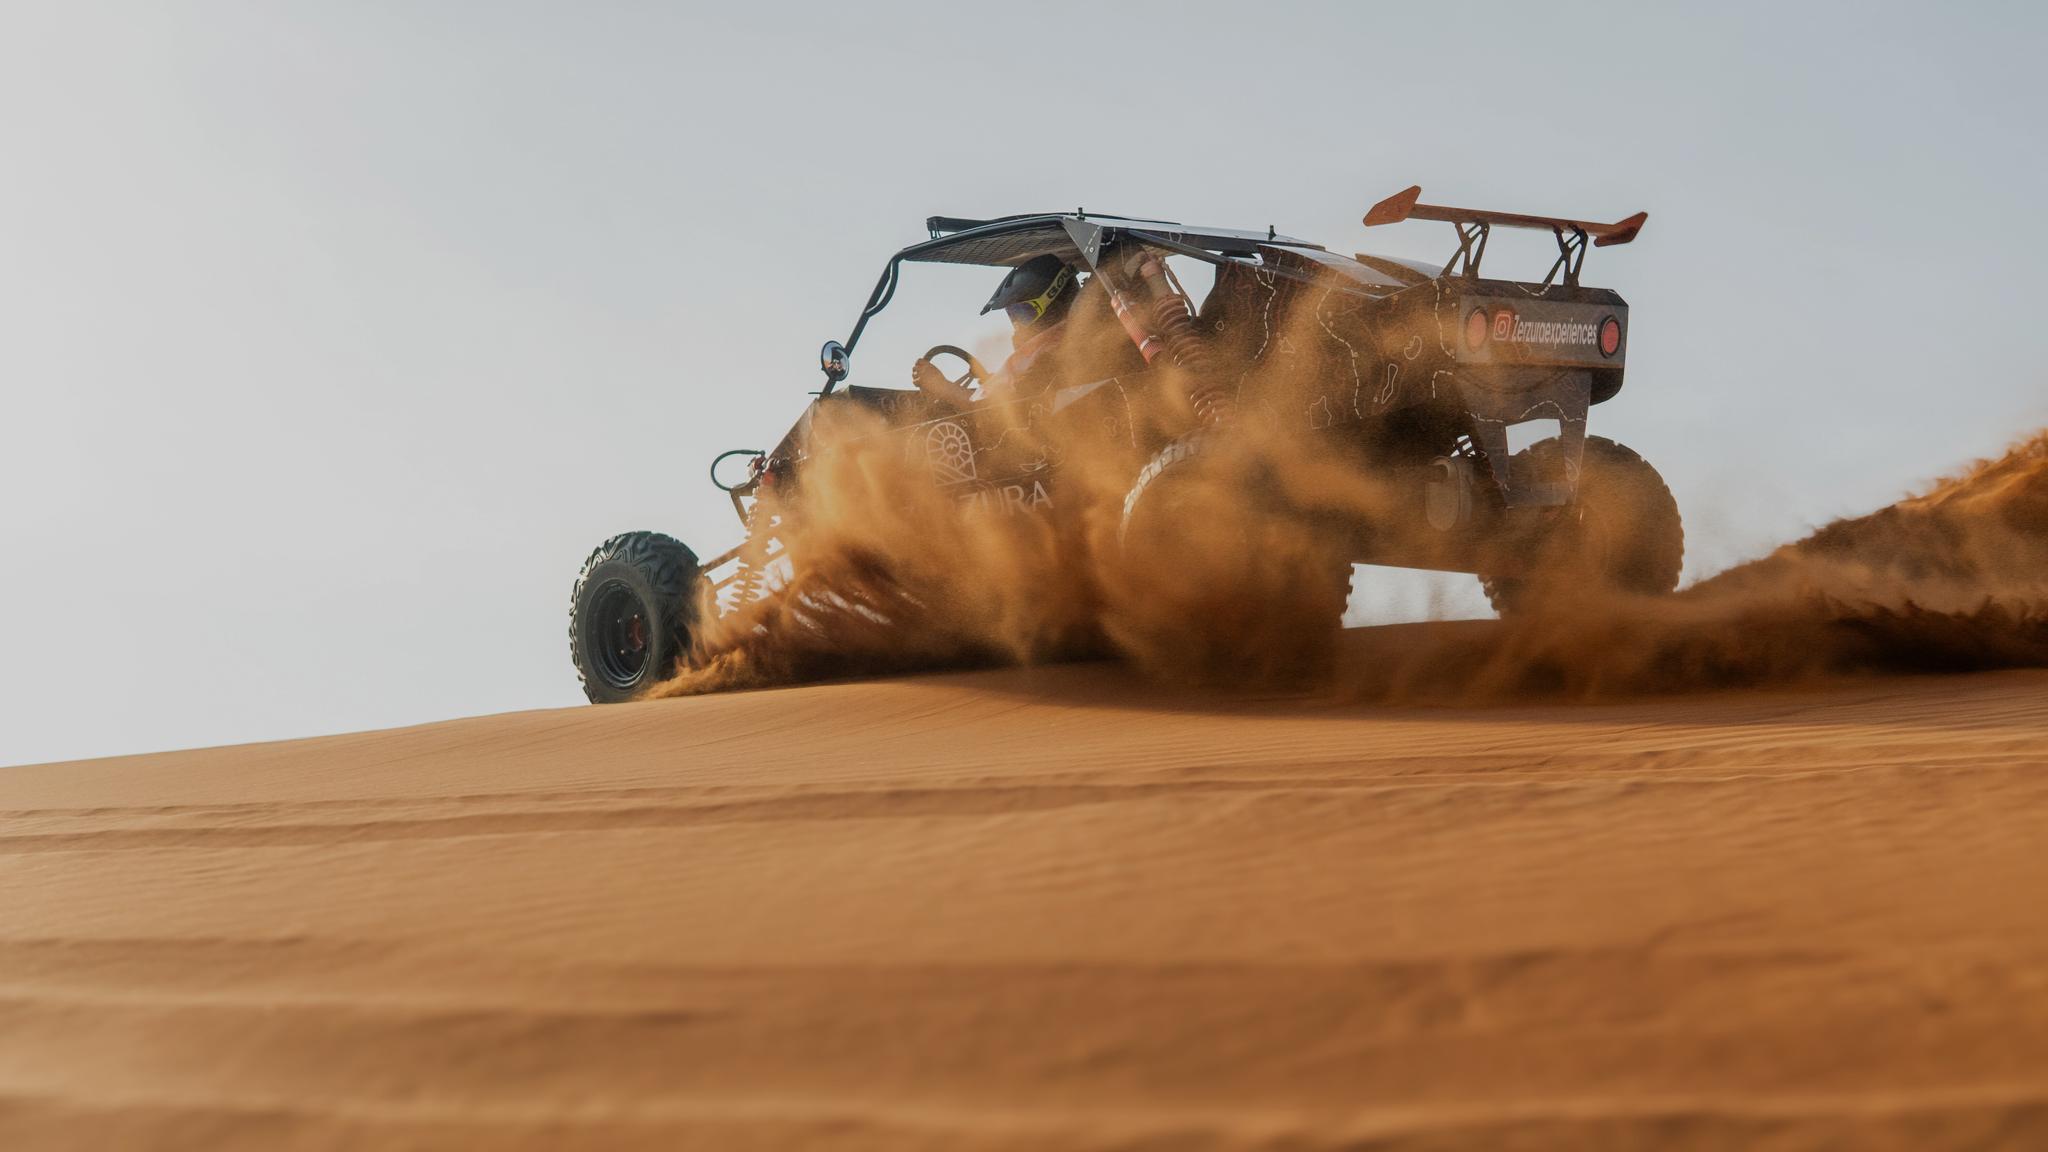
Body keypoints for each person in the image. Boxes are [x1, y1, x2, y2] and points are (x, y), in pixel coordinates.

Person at [911, 254, 1078, 402]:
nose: (1017, 325)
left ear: (1057, 303)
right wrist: (991, 382)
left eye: (1024, 312)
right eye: (1012, 314)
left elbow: (1006, 412)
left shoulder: (1055, 353)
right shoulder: (1056, 345)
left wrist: (945, 388)